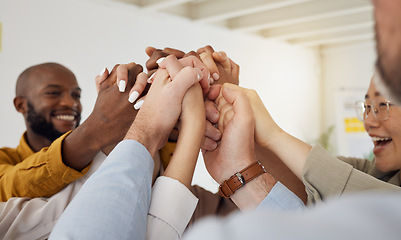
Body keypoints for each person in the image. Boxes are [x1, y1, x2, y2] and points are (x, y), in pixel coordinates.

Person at [0, 62, 143, 202]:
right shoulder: (5, 158)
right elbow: (7, 187)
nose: (71, 103)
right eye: (53, 93)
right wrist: (94, 131)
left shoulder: (108, 152)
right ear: (21, 105)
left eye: (76, 95)